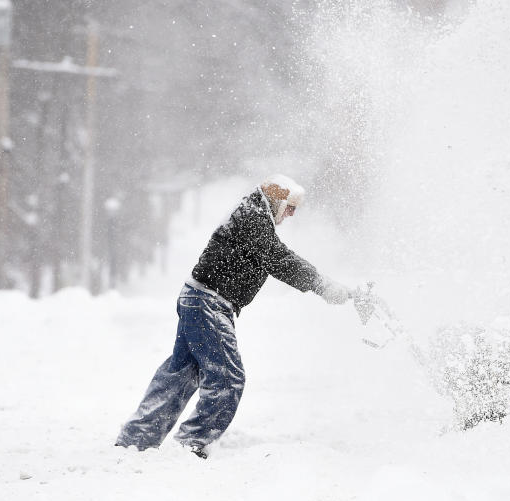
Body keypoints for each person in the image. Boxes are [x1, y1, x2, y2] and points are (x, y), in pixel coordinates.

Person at [115, 174, 359, 459]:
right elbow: (281, 260)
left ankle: (138, 438)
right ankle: (192, 444)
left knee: (181, 373)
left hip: (198, 298)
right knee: (228, 377)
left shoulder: (252, 217)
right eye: (290, 206)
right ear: (278, 201)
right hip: (209, 302)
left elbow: (276, 256)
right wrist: (323, 285)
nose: (292, 214)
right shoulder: (254, 219)